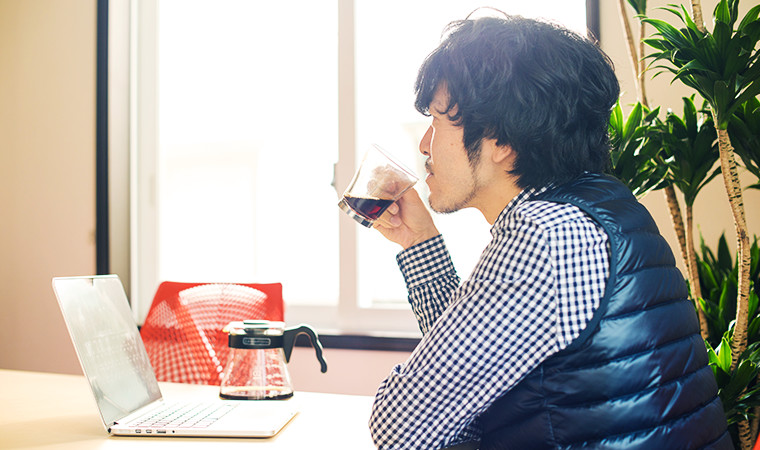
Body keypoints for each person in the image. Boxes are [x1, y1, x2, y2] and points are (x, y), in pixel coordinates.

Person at [368, 14, 731, 450]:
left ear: (502, 140)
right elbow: (467, 376)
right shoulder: (603, 207)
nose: (425, 144)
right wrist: (419, 242)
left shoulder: (545, 237)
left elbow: (402, 426)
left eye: (440, 121)